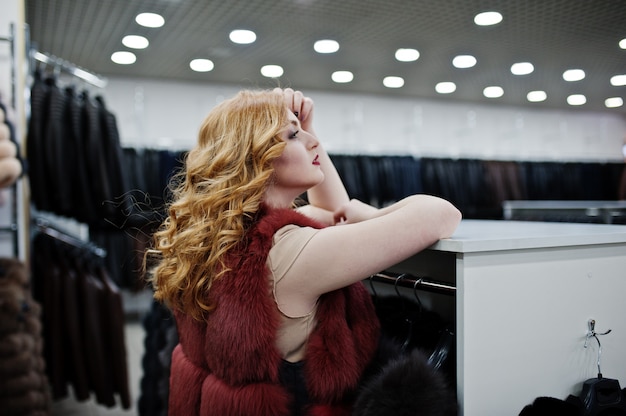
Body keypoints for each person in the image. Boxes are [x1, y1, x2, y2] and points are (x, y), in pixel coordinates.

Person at [147, 87, 462, 416]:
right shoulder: (290, 252)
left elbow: (330, 210)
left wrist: (306, 128)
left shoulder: (225, 235)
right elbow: (441, 214)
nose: (314, 142)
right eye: (295, 135)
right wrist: (366, 213)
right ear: (258, 157)